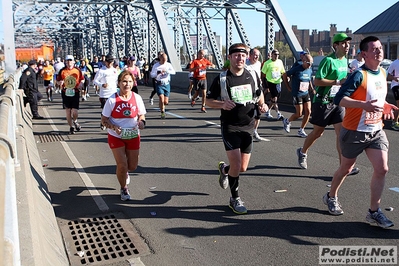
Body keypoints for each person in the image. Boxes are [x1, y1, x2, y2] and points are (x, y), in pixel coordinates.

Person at [323, 36, 398, 228]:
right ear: (364, 54)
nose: (379, 51)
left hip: (376, 130)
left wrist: (386, 105)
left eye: (380, 48)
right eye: (374, 49)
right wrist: (363, 105)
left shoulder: (382, 73)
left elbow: (376, 98)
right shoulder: (358, 75)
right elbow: (339, 99)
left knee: (382, 168)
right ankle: (331, 196)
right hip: (355, 130)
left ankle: (374, 212)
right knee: (346, 169)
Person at [206, 43, 268, 214]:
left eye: (243, 55)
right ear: (230, 57)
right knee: (237, 163)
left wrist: (262, 105)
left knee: (242, 168)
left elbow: (259, 93)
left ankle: (224, 170)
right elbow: (208, 101)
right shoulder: (223, 79)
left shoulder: (253, 75)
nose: (240, 58)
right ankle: (235, 198)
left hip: (248, 125)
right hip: (230, 126)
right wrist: (222, 103)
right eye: (236, 55)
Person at [296, 33, 360, 176]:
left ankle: (343, 167)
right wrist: (337, 82)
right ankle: (302, 151)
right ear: (336, 45)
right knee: (318, 132)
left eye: (348, 44)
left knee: (341, 134)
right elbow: (317, 81)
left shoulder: (345, 61)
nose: (347, 46)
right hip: (322, 101)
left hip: (337, 102)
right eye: (343, 43)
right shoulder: (328, 60)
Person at [101, 70, 147, 201]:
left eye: (130, 81)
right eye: (124, 81)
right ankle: (124, 188)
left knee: (132, 166)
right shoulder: (112, 99)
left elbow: (141, 115)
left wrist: (141, 122)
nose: (127, 84)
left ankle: (126, 171)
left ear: (133, 83)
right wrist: (114, 127)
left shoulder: (136, 98)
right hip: (116, 136)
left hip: (133, 134)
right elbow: (104, 120)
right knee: (121, 164)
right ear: (119, 83)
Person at [281, 53, 314, 137]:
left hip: (305, 93)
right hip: (297, 93)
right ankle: (287, 121)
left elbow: (309, 79)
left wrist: (312, 88)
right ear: (303, 61)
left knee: (308, 111)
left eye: (311, 63)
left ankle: (301, 130)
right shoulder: (297, 69)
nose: (310, 65)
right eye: (308, 63)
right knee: (299, 114)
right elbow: (284, 75)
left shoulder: (309, 69)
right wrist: (288, 87)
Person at [57, 55, 85, 134]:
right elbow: (58, 80)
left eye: (70, 60)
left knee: (75, 111)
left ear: (73, 61)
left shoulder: (77, 70)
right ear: (65, 62)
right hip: (65, 92)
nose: (69, 62)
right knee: (68, 111)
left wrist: (80, 84)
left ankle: (75, 121)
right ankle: (71, 127)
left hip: (75, 92)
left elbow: (82, 79)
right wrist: (60, 83)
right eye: (67, 61)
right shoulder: (62, 71)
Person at [93, 54, 119, 130]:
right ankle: (103, 122)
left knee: (113, 110)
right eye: (109, 62)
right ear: (106, 62)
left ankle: (111, 124)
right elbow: (95, 81)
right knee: (105, 110)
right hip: (104, 94)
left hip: (113, 92)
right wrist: (101, 84)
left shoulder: (114, 70)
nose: (110, 64)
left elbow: (117, 80)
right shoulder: (101, 71)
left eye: (112, 62)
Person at [245, 48, 264, 141]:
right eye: (255, 55)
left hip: (257, 90)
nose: (256, 57)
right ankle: (246, 130)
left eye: (258, 55)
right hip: (247, 91)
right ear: (250, 55)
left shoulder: (259, 64)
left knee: (258, 113)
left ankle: (255, 131)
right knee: (248, 112)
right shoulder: (245, 64)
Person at [261, 49, 285, 120]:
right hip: (271, 82)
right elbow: (263, 73)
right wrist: (263, 82)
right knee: (274, 98)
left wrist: (286, 77)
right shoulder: (267, 63)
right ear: (272, 55)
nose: (276, 56)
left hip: (278, 82)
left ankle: (267, 111)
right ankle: (278, 113)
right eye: (275, 54)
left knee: (274, 98)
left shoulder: (280, 62)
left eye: (278, 54)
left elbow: (283, 71)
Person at [150, 53, 176, 119]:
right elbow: (152, 75)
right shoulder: (156, 65)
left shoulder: (168, 65)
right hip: (159, 84)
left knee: (166, 102)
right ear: (160, 59)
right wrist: (157, 73)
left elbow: (174, 72)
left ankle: (161, 105)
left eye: (166, 59)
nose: (164, 61)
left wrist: (167, 71)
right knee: (161, 98)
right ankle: (162, 112)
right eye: (163, 59)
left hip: (166, 84)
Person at [386, 58, 399, 130]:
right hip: (396, 85)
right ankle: (394, 122)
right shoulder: (394, 63)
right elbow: (388, 75)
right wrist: (395, 78)